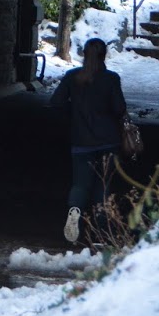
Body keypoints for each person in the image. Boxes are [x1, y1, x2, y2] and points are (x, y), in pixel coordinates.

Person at [50, 37, 130, 244]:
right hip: (108, 142)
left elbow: (56, 102)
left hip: (81, 141)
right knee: (102, 186)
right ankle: (101, 232)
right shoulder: (111, 79)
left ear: (84, 54)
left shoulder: (72, 77)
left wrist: (74, 114)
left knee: (80, 184)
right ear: (104, 56)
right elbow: (119, 108)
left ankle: (74, 211)